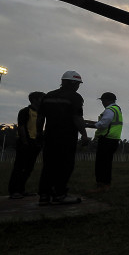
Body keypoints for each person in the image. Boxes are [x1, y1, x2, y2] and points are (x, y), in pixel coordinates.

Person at [37, 71, 90, 205]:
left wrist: (39, 133)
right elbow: (77, 117)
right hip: (66, 137)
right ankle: (60, 194)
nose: (78, 86)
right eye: (78, 84)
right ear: (72, 83)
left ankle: (44, 195)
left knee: (48, 165)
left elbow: (40, 117)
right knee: (65, 165)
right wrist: (84, 134)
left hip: (49, 136)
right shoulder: (75, 97)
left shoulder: (48, 96)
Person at [8, 91, 45, 199]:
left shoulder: (41, 114)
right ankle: (14, 191)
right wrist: (25, 142)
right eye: (41, 98)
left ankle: (21, 189)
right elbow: (21, 127)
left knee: (29, 168)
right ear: (34, 99)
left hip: (35, 143)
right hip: (25, 142)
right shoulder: (25, 111)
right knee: (19, 167)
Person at [85, 92, 123, 193]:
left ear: (107, 100)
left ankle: (101, 186)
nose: (102, 102)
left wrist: (87, 126)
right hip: (113, 140)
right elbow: (106, 123)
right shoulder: (116, 109)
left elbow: (103, 124)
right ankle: (106, 185)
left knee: (101, 164)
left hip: (106, 140)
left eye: (102, 100)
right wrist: (88, 121)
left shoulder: (109, 110)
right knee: (106, 164)